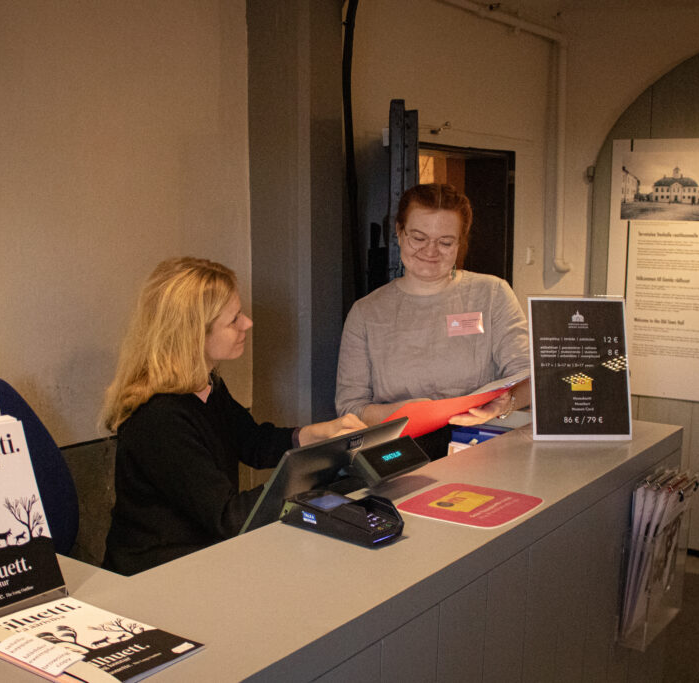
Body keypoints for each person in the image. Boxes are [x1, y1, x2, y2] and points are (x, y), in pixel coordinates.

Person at [101, 257, 365, 576]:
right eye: (234, 319)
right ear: (193, 334)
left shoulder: (207, 385)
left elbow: (253, 442)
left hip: (201, 556)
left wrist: (320, 435)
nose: (247, 323)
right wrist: (318, 477)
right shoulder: (159, 418)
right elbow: (229, 516)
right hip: (157, 574)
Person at [335, 183, 530, 459]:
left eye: (445, 242)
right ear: (399, 232)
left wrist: (504, 405)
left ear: (460, 242)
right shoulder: (366, 313)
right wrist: (410, 413)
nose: (430, 250)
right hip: (396, 455)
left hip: (480, 449)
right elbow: (350, 408)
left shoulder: (492, 294)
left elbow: (528, 379)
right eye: (418, 238)